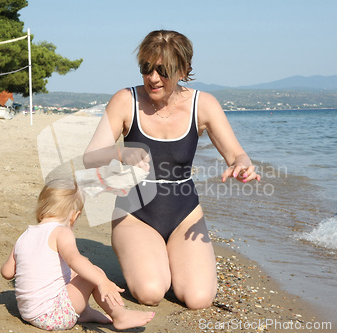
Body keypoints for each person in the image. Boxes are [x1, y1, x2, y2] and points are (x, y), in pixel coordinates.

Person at [83, 30, 261, 310]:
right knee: (151, 292)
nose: (153, 77)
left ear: (183, 70)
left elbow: (236, 154)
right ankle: (150, 258)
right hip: (135, 215)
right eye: (146, 68)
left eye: (163, 70)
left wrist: (241, 165)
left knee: (198, 299)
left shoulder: (203, 104)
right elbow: (91, 157)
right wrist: (120, 152)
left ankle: (170, 256)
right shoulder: (125, 100)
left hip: (185, 216)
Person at [0, 178, 155, 331]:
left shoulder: (25, 235)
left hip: (28, 312)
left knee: (72, 272)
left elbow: (7, 273)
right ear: (74, 216)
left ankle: (85, 312)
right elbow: (74, 259)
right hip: (53, 315)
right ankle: (120, 316)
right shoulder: (62, 232)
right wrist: (102, 281)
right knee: (93, 272)